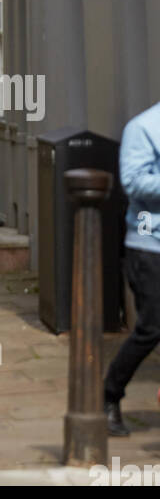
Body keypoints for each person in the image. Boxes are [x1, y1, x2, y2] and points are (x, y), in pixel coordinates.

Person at [104, 101, 160, 436]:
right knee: (152, 327)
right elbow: (134, 182)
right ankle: (108, 395)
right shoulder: (142, 128)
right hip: (149, 245)